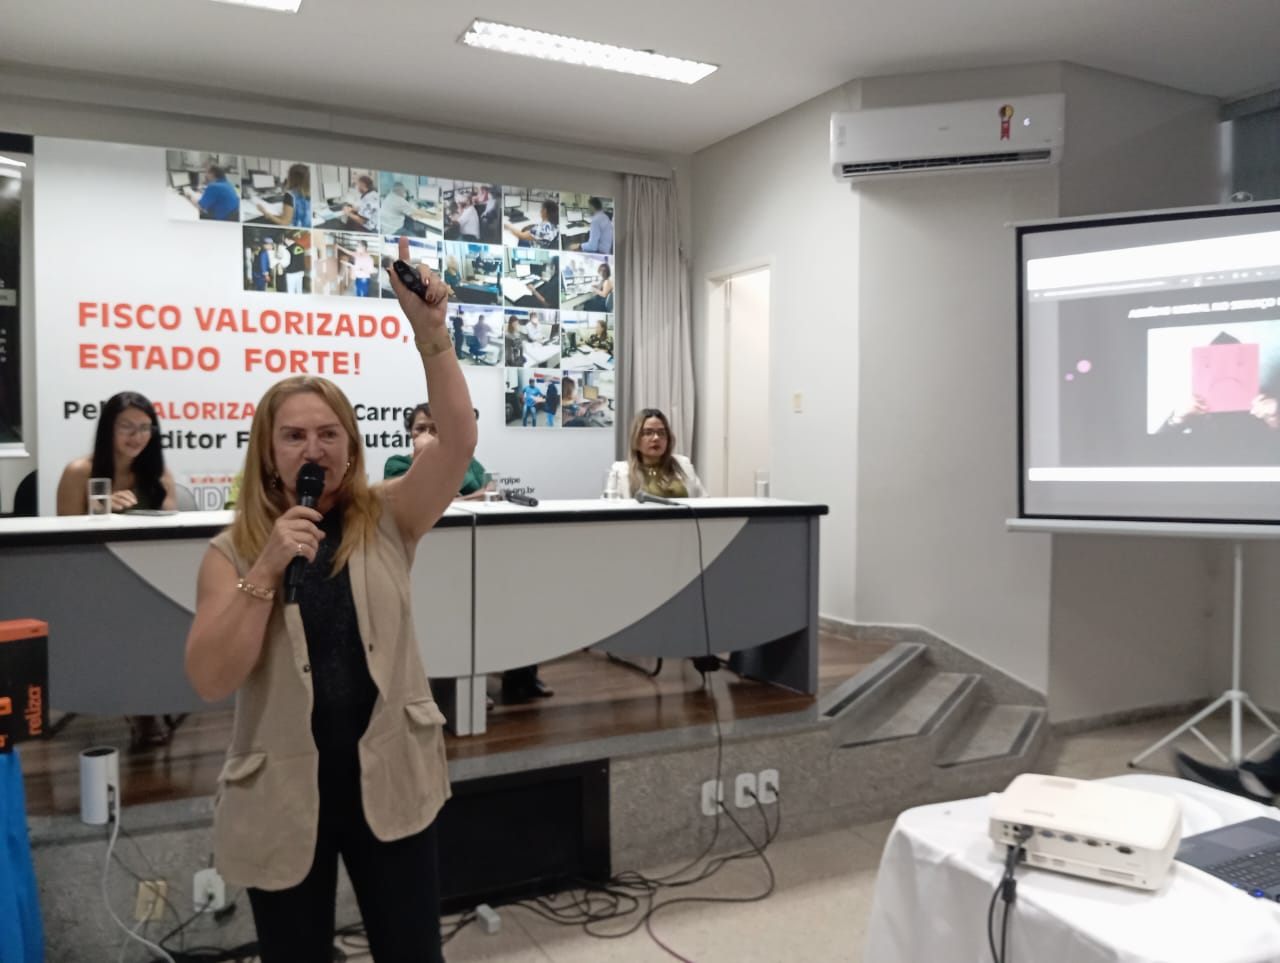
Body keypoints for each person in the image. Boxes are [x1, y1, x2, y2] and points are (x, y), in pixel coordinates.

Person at [184, 236, 474, 962]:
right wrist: (268, 566)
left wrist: (430, 334)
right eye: (293, 436)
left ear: (349, 446)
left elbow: (458, 443)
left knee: (413, 952)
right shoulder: (231, 553)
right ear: (268, 452)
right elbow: (211, 678)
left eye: (327, 434)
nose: (312, 449)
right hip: (284, 792)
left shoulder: (391, 516)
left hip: (390, 775)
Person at [58, 391, 177, 749]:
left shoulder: (159, 474)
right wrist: (101, 510)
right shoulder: (80, 471)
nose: (137, 436)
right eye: (127, 426)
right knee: (135, 614)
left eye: (145, 428)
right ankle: (143, 706)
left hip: (148, 574)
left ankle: (155, 698)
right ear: (108, 428)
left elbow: (170, 526)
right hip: (92, 577)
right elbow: (64, 538)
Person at [383, 404, 491, 500]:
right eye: (420, 428)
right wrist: (471, 498)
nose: (427, 434)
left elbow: (489, 490)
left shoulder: (466, 462)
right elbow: (416, 501)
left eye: (435, 428)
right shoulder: (396, 464)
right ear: (411, 432)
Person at [607, 408, 707, 498]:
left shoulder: (683, 465)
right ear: (636, 438)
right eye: (648, 433)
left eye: (661, 433)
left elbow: (704, 501)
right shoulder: (619, 472)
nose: (656, 438)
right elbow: (610, 507)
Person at [256, 162, 312, 228]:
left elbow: (285, 223)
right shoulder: (308, 193)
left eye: (289, 175)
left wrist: (265, 213)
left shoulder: (290, 195)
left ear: (292, 178)